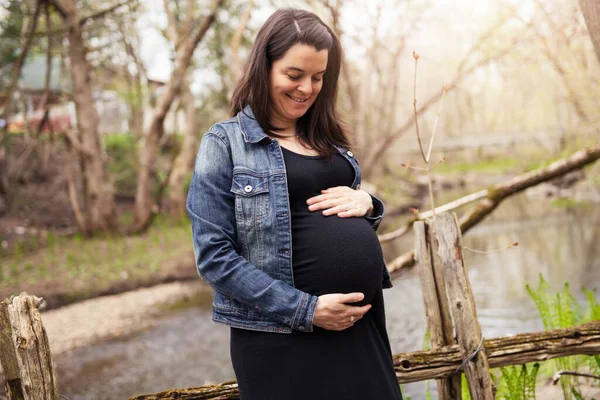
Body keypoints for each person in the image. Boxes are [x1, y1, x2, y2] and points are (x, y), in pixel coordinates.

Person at [186, 8, 403, 400]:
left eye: (318, 77)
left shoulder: (328, 141)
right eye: (294, 75)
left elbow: (342, 219)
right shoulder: (224, 144)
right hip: (282, 340)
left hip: (361, 331)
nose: (307, 88)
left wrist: (370, 203)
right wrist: (306, 310)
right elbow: (214, 257)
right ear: (263, 67)